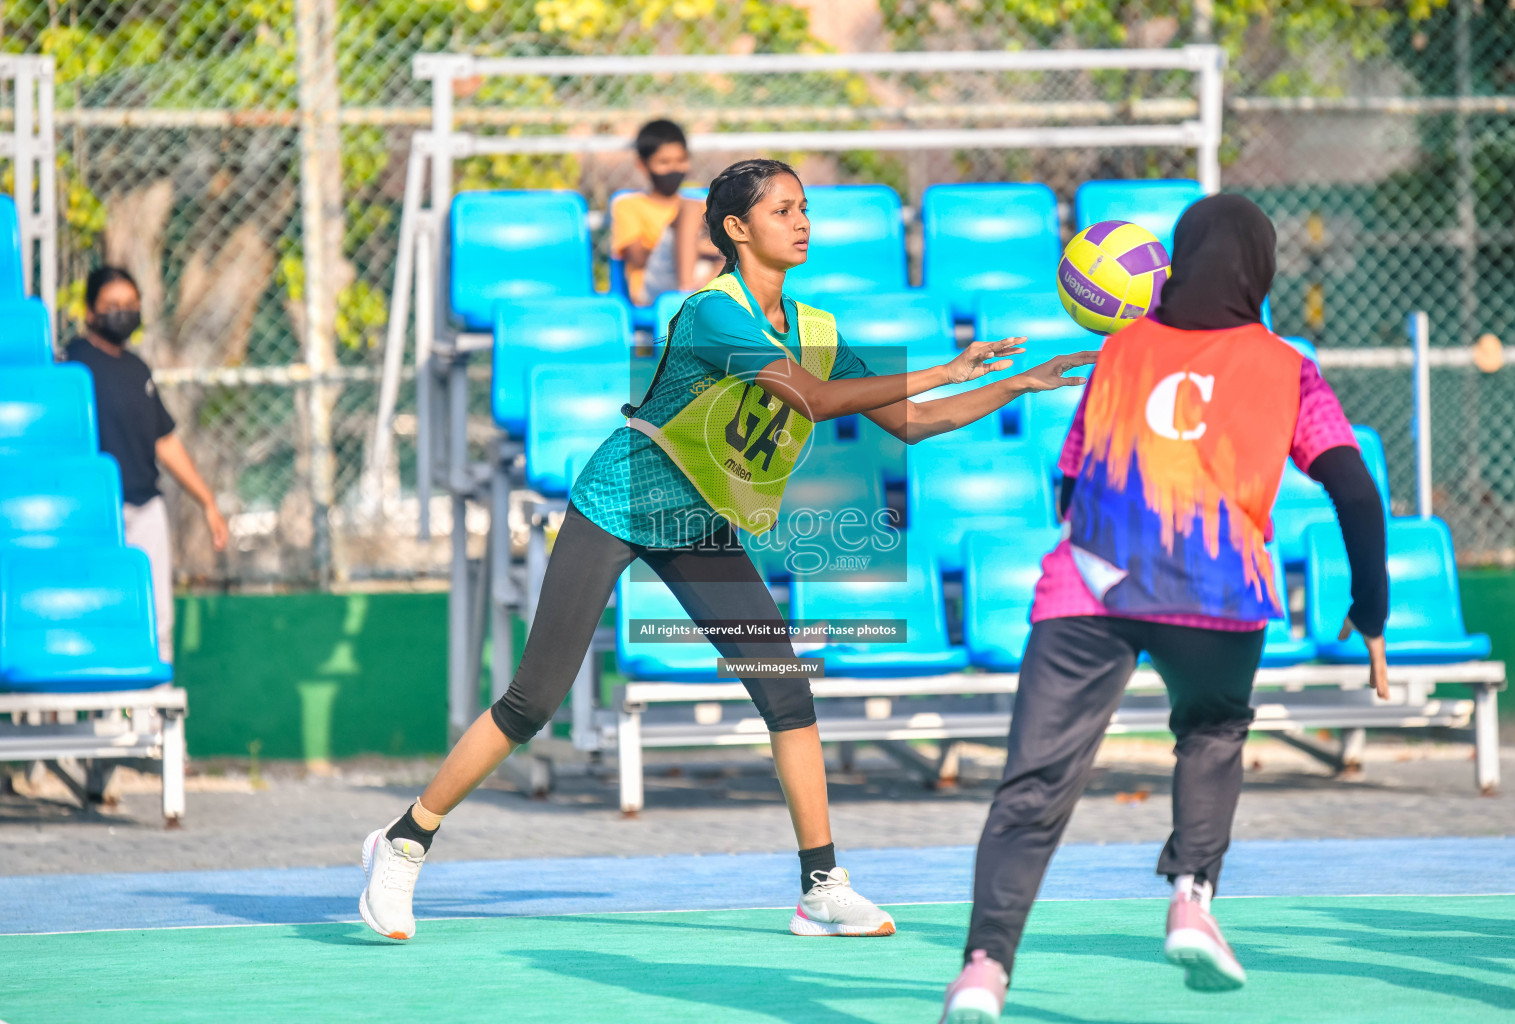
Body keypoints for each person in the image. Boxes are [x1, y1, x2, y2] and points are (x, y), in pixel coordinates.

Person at [359, 158, 1097, 942]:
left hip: (701, 521)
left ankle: (821, 886)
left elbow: (911, 422)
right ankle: (404, 841)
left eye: (806, 207)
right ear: (738, 229)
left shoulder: (816, 329)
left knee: (786, 691)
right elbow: (811, 400)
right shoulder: (713, 314)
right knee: (533, 702)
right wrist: (940, 365)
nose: (803, 221)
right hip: (621, 502)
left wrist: (1012, 388)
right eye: (783, 210)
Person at [937, 194, 1391, 1023]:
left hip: (1089, 590)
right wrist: (1371, 615)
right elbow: (1356, 494)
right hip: (1217, 593)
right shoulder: (1287, 366)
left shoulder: (1122, 350)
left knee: (1034, 784)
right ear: (1261, 268)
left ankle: (983, 969)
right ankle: (1191, 899)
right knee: (1212, 734)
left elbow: (1072, 479)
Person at [65, 266, 230, 663]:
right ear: (89, 311)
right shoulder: (70, 364)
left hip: (145, 507)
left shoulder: (138, 369)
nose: (123, 312)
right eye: (112, 305)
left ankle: (155, 713)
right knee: (96, 611)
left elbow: (165, 440)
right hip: (92, 513)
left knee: (157, 616)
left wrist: (207, 502)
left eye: (130, 305)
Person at [610, 118, 723, 306]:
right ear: (643, 165)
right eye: (664, 162)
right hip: (653, 287)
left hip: (702, 275)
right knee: (691, 208)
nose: (674, 169)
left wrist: (697, 249)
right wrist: (689, 246)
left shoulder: (703, 204)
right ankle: (686, 295)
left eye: (681, 160)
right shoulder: (629, 205)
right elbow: (637, 259)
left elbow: (721, 248)